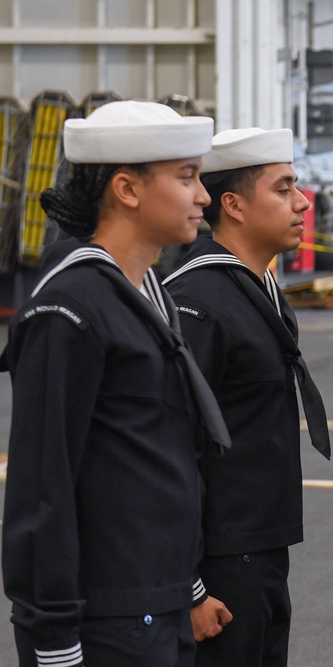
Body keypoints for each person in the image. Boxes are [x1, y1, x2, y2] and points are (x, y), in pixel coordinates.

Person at [1, 101, 226, 667]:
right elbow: (41, 490)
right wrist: (52, 642)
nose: (203, 195)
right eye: (186, 176)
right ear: (127, 189)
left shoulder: (149, 293)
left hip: (158, 604)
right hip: (109, 624)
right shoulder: (71, 308)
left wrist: (189, 587)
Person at [162, 127, 333, 666]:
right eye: (283, 189)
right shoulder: (200, 299)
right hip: (219, 558)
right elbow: (174, 449)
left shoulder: (255, 287)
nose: (302, 202)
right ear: (232, 206)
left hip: (258, 546)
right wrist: (188, 584)